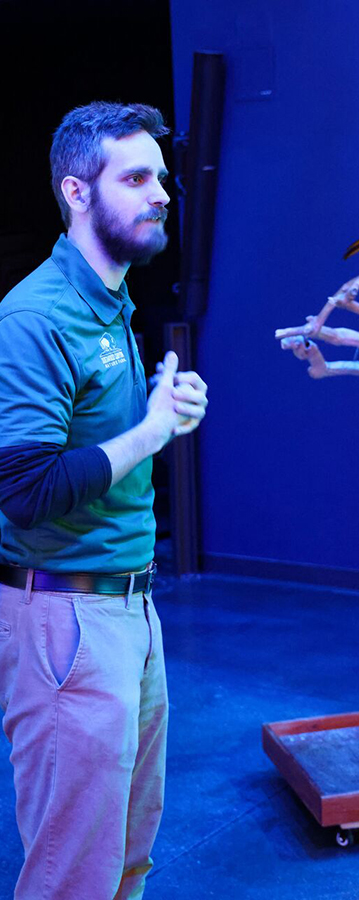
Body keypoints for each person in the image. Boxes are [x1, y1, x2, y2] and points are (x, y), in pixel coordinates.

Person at [0, 101, 208, 900]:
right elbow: (24, 491)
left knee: (126, 856)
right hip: (66, 622)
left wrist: (160, 409)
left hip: (129, 610)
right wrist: (153, 432)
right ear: (77, 192)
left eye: (160, 176)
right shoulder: (36, 316)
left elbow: (95, 447)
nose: (161, 192)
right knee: (72, 876)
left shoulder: (110, 303)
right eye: (135, 177)